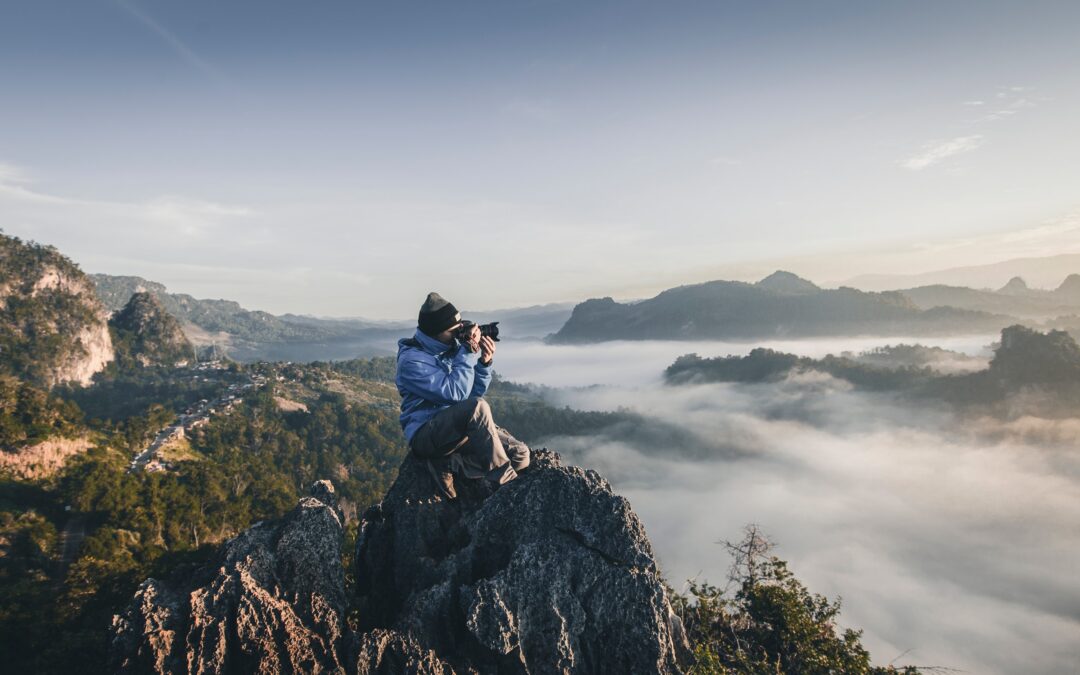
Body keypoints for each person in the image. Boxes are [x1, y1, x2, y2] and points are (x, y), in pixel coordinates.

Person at [395, 292, 530, 499]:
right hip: (427, 434)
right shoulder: (412, 361)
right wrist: (466, 352)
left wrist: (484, 364)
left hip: (455, 430)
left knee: (520, 455)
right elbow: (456, 395)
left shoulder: (449, 348)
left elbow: (470, 395)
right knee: (478, 407)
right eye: (454, 331)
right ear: (436, 332)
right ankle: (504, 485)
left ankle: (453, 465)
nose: (459, 334)